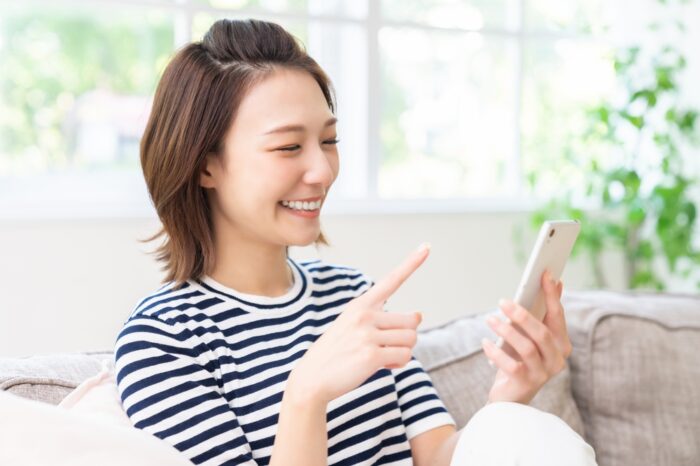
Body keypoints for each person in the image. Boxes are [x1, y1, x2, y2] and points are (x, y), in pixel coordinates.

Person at [114, 18, 597, 466]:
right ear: (204, 165)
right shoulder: (163, 342)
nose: (322, 171)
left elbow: (436, 456)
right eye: (288, 147)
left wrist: (509, 397)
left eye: (329, 141)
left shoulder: (352, 297)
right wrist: (306, 395)